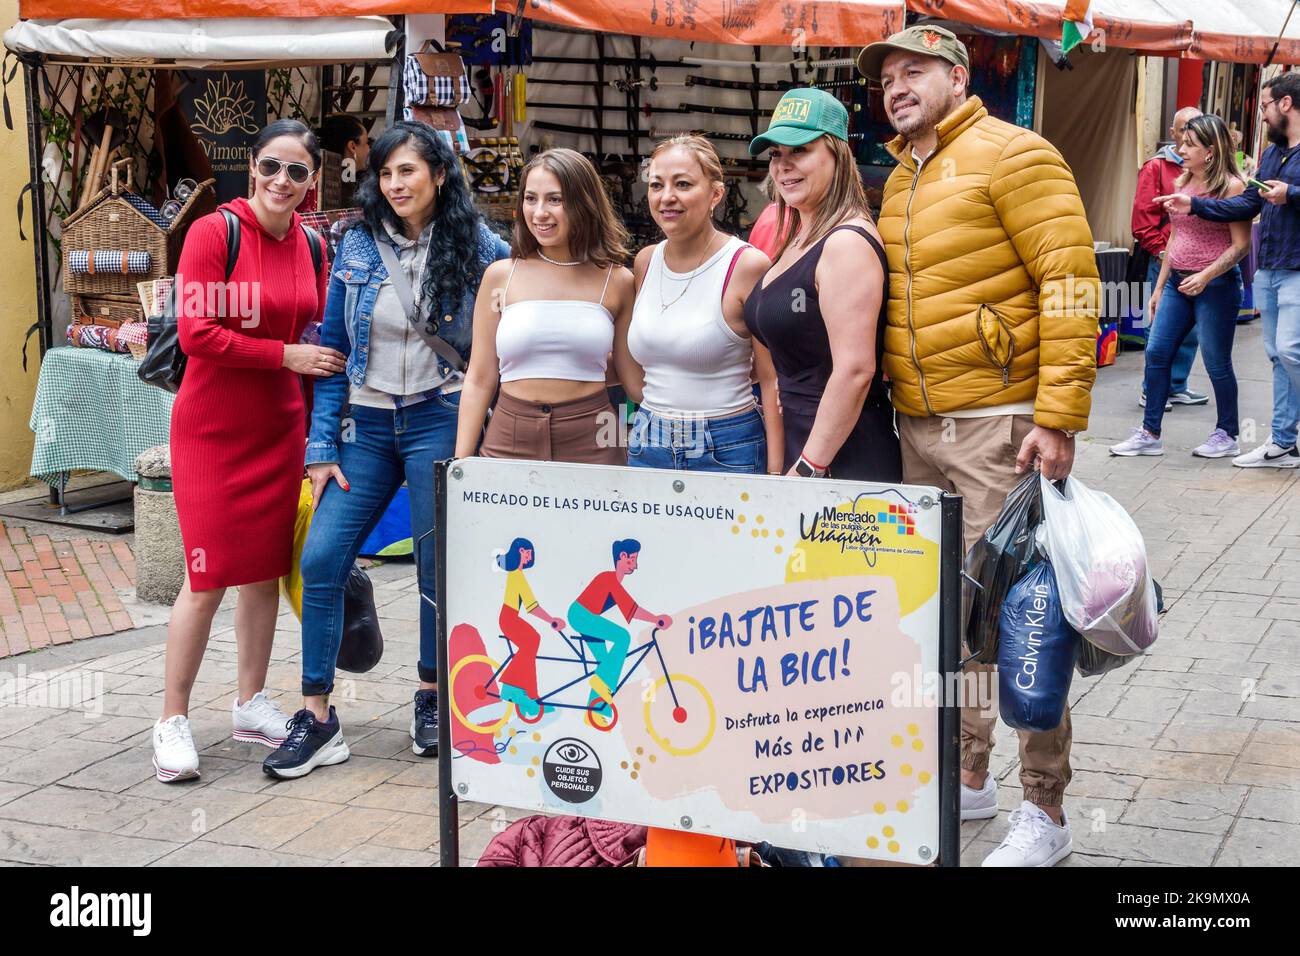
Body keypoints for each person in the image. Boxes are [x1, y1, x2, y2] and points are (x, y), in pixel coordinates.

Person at [858, 24, 1099, 866]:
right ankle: (967, 774)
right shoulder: (897, 180)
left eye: (914, 71)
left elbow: (1069, 277)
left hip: (1001, 426)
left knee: (1023, 622)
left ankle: (1048, 811)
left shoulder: (1015, 154)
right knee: (957, 626)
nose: (897, 86)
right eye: (887, 77)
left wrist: (1058, 414)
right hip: (919, 429)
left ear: (960, 77)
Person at [262, 122, 510, 780]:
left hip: (440, 418)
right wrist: (321, 447)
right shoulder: (354, 243)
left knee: (436, 569)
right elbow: (333, 353)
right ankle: (317, 717)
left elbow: (507, 338)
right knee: (321, 558)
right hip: (364, 430)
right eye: (386, 173)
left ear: (438, 174)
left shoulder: (482, 246)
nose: (395, 184)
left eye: (408, 172)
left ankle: (433, 698)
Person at [153, 119, 340, 783]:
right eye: (270, 167)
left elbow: (317, 336)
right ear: (251, 168)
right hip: (212, 430)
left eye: (296, 172)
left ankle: (250, 701)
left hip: (281, 425)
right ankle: (172, 719)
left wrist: (321, 435)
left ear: (312, 182)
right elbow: (197, 333)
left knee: (262, 570)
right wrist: (282, 354)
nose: (281, 182)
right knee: (205, 578)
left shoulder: (313, 244)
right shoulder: (214, 232)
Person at [742, 87, 902, 482]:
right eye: (776, 154)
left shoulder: (845, 242)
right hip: (806, 446)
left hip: (841, 457)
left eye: (800, 151)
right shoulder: (800, 233)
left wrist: (810, 467)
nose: (783, 166)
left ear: (837, 153)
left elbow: (855, 369)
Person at [1157, 71, 1300, 469]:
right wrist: (1197, 206)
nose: (1264, 114)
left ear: (1285, 104)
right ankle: (1284, 444)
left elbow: (1280, 200)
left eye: (1267, 105)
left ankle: (1271, 437)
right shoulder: (1272, 155)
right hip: (1270, 267)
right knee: (1276, 355)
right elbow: (1246, 206)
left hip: (1298, 267)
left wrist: (1293, 194)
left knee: (1291, 350)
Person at [455, 147, 635, 464]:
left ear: (584, 203)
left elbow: (631, 374)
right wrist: (459, 464)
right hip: (508, 436)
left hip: (595, 439)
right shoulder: (500, 276)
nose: (539, 212)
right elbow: (480, 377)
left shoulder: (618, 280)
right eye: (530, 198)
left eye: (555, 199)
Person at [618, 135, 781, 475]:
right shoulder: (645, 262)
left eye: (683, 184)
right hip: (650, 437)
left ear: (716, 195)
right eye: (657, 185)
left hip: (726, 443)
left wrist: (776, 477)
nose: (666, 197)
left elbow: (770, 378)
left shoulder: (746, 265)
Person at [1111, 115, 1250, 459]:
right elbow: (1175, 236)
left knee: (1216, 361)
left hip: (1216, 286)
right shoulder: (1183, 181)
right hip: (1176, 282)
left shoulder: (1233, 188)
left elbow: (1241, 244)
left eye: (1189, 144)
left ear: (1211, 151)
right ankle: (1149, 432)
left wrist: (1205, 275)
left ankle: (1228, 433)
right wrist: (1159, 288)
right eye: (1181, 142)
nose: (1180, 149)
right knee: (1157, 353)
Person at [1132, 106, 1207, 410]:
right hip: (1164, 259)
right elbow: (1142, 220)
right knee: (1159, 325)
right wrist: (1162, 252)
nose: (1189, 133)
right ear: (1173, 133)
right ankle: (1152, 389)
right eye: (1184, 128)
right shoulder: (1157, 167)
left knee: (1190, 328)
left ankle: (1176, 385)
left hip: (1197, 262)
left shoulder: (1205, 166)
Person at [568, 540, 672, 719]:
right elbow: (632, 609)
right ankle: (600, 687)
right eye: (632, 559)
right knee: (623, 637)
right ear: (622, 557)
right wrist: (656, 619)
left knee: (606, 663)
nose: (636, 566)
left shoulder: (614, 582)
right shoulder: (609, 579)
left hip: (585, 617)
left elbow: (629, 608)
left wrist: (655, 619)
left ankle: (594, 708)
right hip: (581, 616)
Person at [495, 537, 565, 719]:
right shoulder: (517, 576)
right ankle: (510, 688)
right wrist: (551, 620)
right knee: (531, 642)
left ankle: (531, 696)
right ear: (520, 552)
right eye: (529, 552)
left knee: (532, 643)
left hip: (511, 617)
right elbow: (532, 606)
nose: (530, 556)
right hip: (508, 618)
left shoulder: (517, 574)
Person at [317, 113, 371, 206]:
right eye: (366, 143)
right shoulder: (346, 184)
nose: (369, 149)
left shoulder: (327, 176)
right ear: (352, 147)